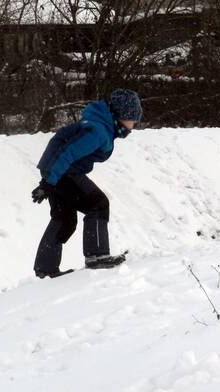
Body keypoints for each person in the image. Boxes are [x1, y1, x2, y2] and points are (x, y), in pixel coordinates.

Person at [31, 89, 141, 278]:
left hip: (58, 170)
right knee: (98, 204)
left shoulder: (101, 126)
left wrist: (48, 180)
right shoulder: (98, 131)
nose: (134, 125)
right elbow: (67, 152)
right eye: (133, 119)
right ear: (121, 116)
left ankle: (45, 269)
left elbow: (62, 148)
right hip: (63, 171)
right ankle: (96, 256)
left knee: (64, 218)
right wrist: (49, 182)